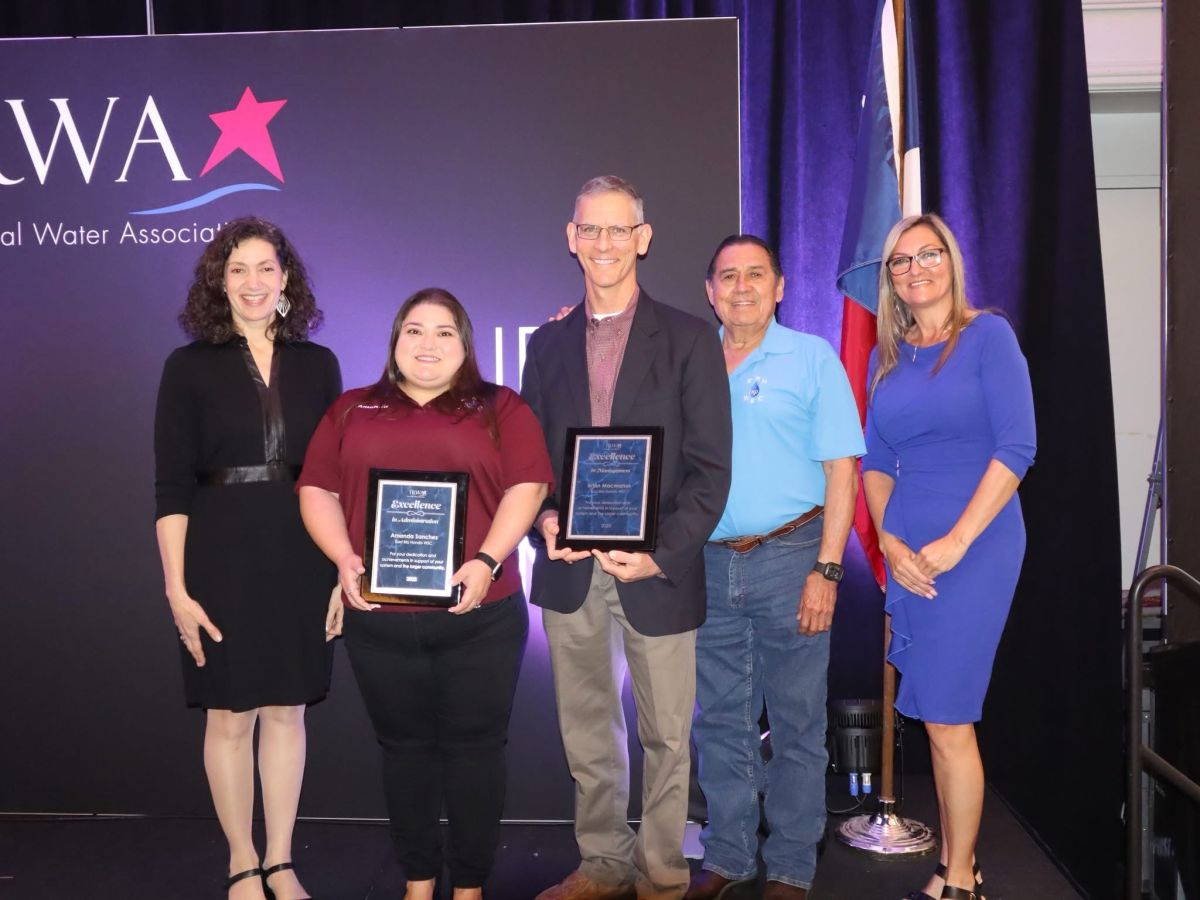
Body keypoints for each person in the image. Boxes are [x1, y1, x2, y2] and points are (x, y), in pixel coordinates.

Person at [298, 288, 552, 900]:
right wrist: (343, 558)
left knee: (475, 752)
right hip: (379, 620)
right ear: (394, 342)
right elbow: (317, 490)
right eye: (414, 330)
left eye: (444, 332)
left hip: (483, 617)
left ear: (465, 343)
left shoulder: (501, 408)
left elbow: (530, 484)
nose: (428, 344)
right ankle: (417, 878)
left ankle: (468, 885)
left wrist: (489, 560)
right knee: (404, 752)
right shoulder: (352, 410)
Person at [521, 175, 733, 900]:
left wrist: (660, 553)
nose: (604, 243)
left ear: (642, 239)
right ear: (570, 239)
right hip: (570, 567)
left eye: (619, 230)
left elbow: (710, 470)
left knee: (668, 736)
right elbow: (530, 462)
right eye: (591, 229)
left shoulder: (689, 339)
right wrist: (547, 519)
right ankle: (603, 862)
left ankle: (663, 874)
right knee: (587, 730)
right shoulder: (545, 343)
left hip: (659, 571)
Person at [154, 217, 343, 900]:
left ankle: (281, 859)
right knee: (229, 715)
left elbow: (334, 479)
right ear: (219, 281)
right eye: (238, 270)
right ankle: (242, 860)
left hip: (301, 554)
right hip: (219, 557)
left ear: (286, 279)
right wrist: (176, 588)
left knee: (288, 710)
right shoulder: (187, 367)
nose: (253, 282)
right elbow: (171, 486)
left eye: (266, 268)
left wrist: (342, 571)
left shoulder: (319, 365)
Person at [684, 235, 865, 900]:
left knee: (796, 720)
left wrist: (828, 569)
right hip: (707, 561)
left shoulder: (812, 359)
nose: (741, 287)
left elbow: (842, 469)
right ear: (710, 292)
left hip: (795, 558)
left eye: (755, 274)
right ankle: (728, 855)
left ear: (780, 286)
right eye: (727, 276)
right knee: (721, 719)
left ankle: (791, 863)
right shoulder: (691, 361)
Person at [862, 214, 1036, 900]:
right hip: (910, 554)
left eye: (928, 255)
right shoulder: (892, 358)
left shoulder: (989, 336)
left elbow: (1017, 447)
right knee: (936, 712)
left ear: (951, 262)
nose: (916, 269)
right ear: (891, 281)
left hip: (977, 548)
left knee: (947, 715)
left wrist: (957, 542)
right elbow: (875, 463)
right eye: (901, 262)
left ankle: (958, 878)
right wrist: (890, 541)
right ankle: (967, 862)